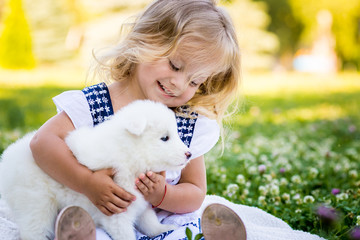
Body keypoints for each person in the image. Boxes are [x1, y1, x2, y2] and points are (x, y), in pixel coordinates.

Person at [30, 0, 242, 239]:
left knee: (186, 226)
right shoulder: (95, 104)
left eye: (195, 81)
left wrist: (163, 196)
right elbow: (43, 143)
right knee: (92, 228)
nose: (179, 84)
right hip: (101, 212)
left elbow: (195, 191)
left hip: (157, 219)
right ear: (146, 40)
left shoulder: (186, 121)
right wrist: (87, 183)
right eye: (175, 65)